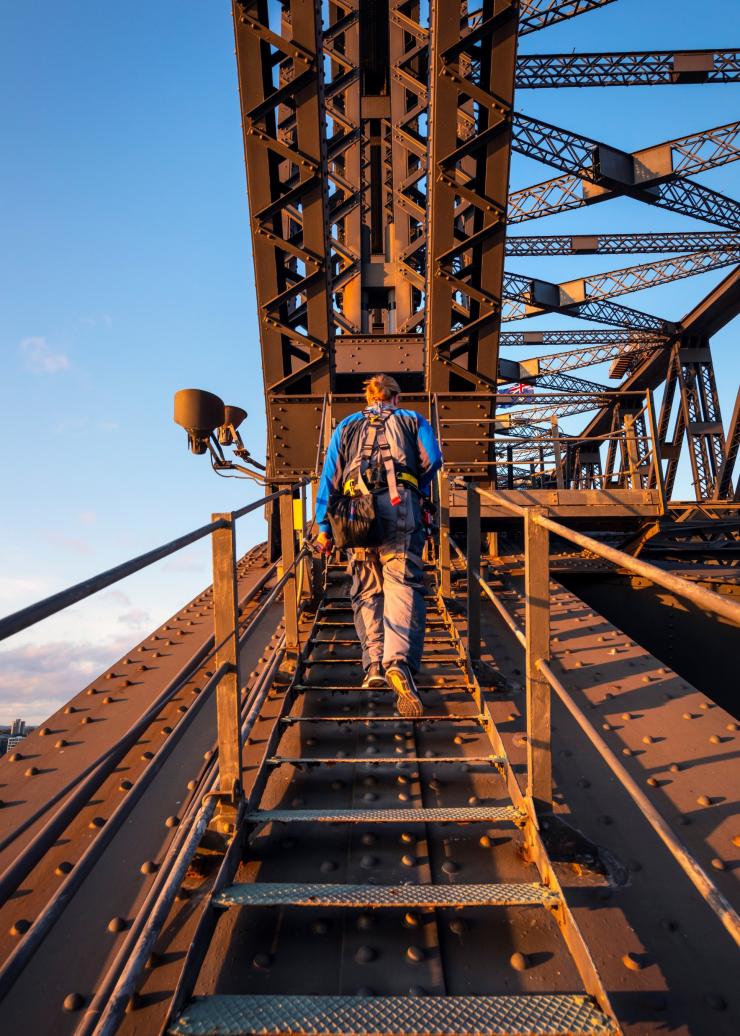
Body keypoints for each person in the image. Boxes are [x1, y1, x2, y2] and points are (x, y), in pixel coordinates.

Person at [314, 374, 443, 716]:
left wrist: (324, 526)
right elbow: (433, 459)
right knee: (401, 583)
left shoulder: (346, 425)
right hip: (400, 508)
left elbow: (330, 477)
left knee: (366, 587)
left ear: (368, 398)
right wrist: (414, 484)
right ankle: (397, 663)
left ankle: (372, 663)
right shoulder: (413, 420)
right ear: (396, 398)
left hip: (356, 509)